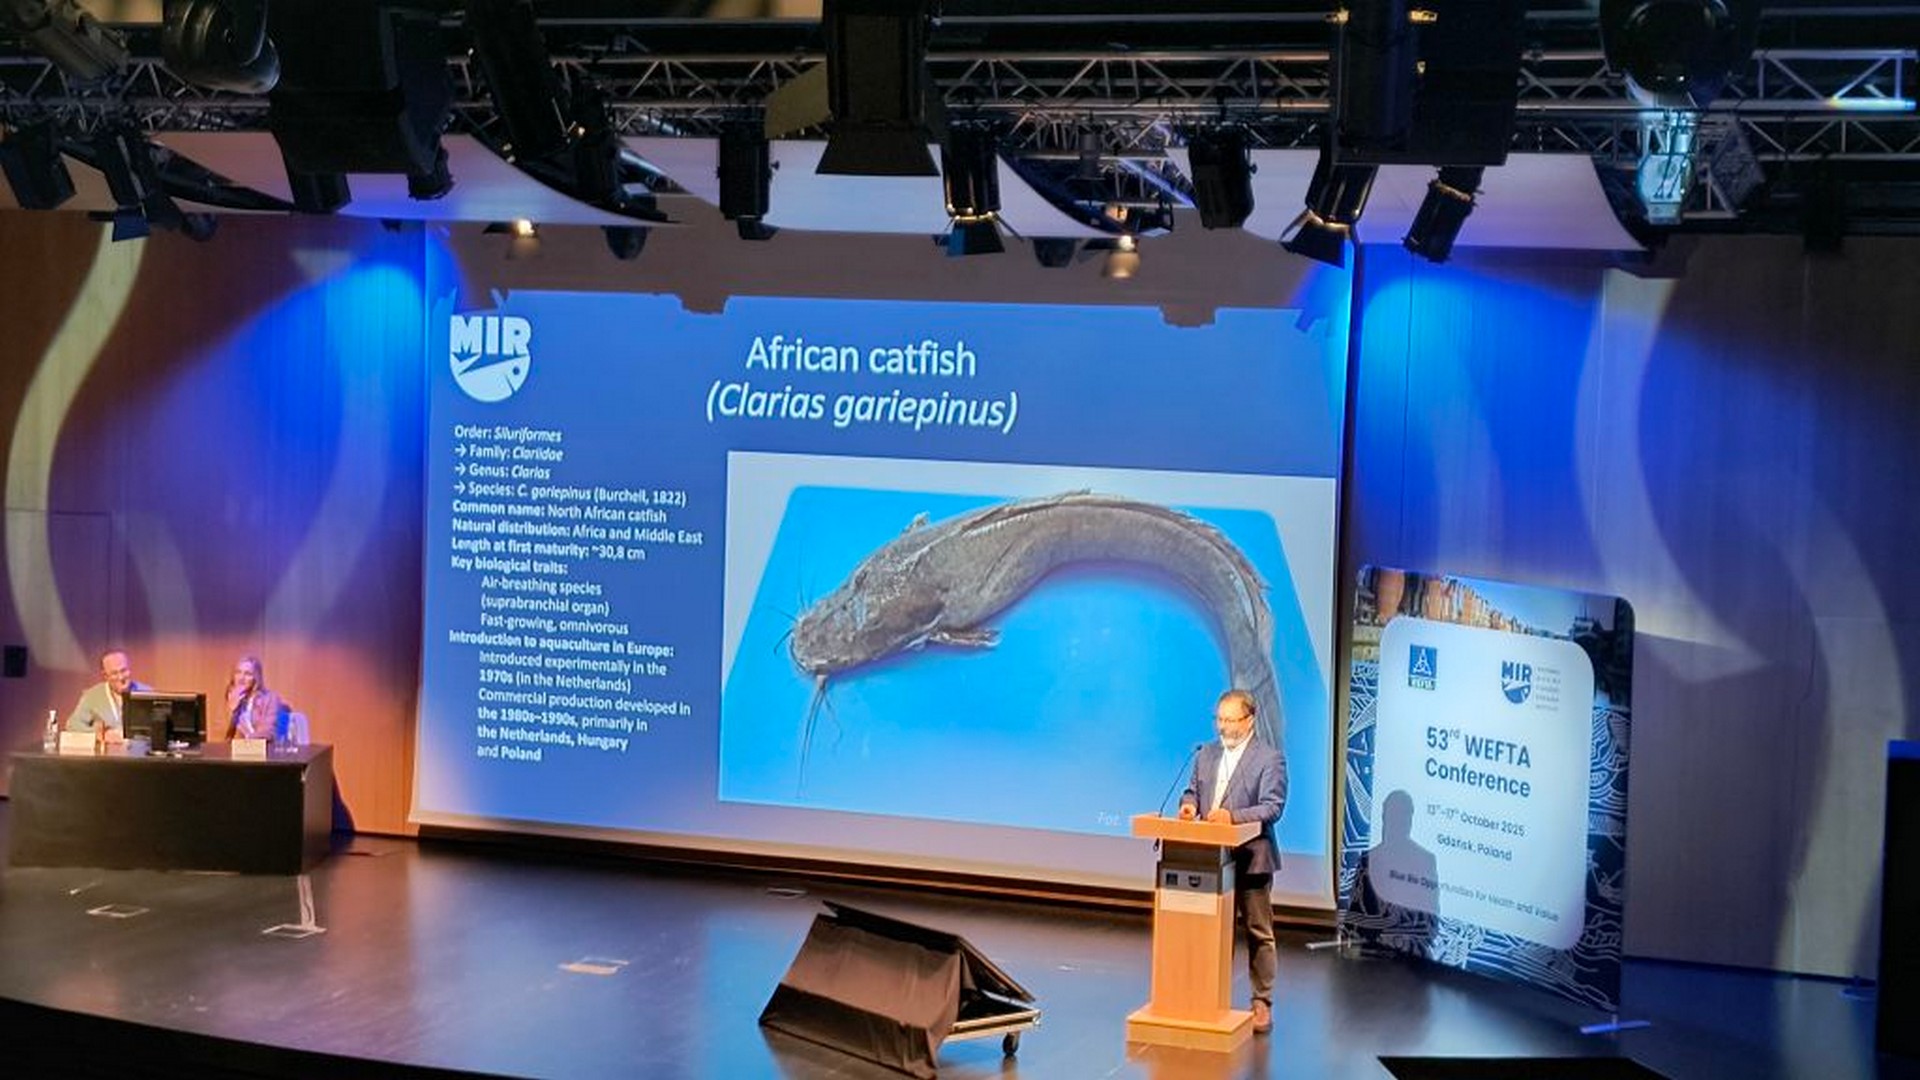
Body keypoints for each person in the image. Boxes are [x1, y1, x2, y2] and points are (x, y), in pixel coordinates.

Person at [1178, 687, 1288, 1035]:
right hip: (1211, 859)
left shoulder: (1269, 758)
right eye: (1219, 719)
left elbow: (1273, 807)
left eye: (1230, 720)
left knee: (1258, 931)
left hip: (1252, 858)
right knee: (1212, 930)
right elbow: (1192, 791)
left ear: (1250, 720)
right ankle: (1207, 996)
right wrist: (1188, 806)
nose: (1223, 727)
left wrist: (1232, 817)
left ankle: (1261, 1001)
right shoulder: (1206, 754)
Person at [64, 649, 148, 741]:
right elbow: (72, 725)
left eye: (123, 671)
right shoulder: (92, 696)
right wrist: (100, 734)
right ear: (105, 676)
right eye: (114, 673)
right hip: (106, 749)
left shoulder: (146, 693)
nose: (120, 677)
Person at [223, 654, 291, 741]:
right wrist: (232, 711)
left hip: (263, 747)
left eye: (248, 674)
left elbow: (267, 732)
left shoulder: (270, 699)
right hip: (238, 747)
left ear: (256, 677)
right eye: (238, 672)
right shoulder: (231, 696)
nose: (241, 678)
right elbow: (226, 735)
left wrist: (247, 741)